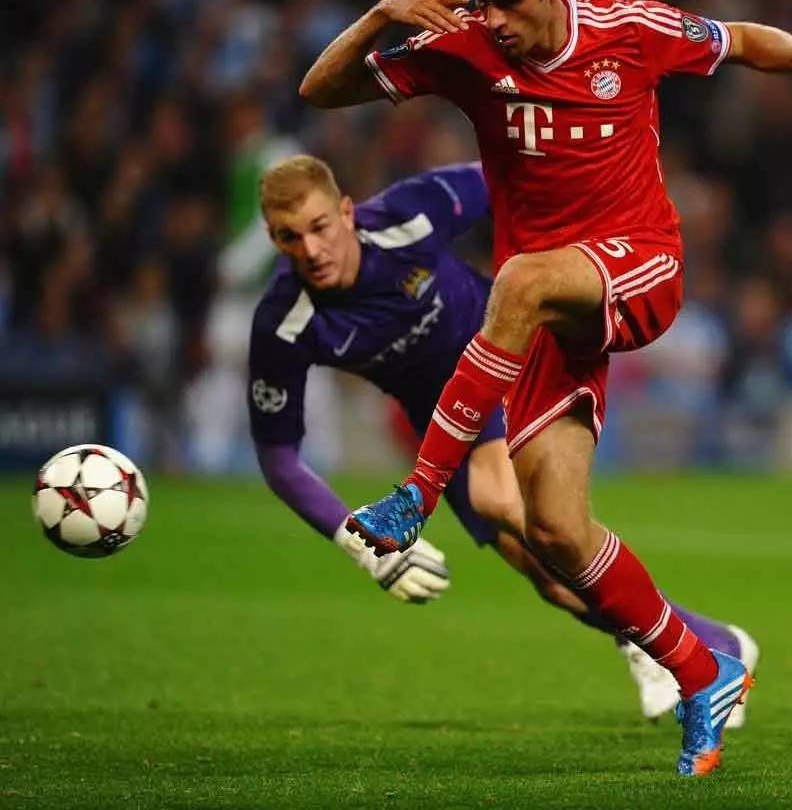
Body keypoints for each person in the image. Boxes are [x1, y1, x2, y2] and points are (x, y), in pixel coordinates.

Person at [300, 0, 792, 775]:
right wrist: (381, 13)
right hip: (546, 314)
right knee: (557, 530)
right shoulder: (463, 47)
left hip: (641, 267)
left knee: (518, 280)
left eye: (510, 1)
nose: (494, 19)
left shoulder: (629, 30)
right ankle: (702, 668)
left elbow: (742, 40)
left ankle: (416, 495)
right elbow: (321, 89)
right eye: (481, 1)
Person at [248, 154, 759, 725]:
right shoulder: (284, 323)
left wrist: (557, 261)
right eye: (290, 237)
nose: (312, 249)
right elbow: (278, 458)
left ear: (346, 212)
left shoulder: (405, 217)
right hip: (442, 424)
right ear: (273, 239)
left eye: (320, 227)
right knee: (550, 578)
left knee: (507, 504)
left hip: (507, 355)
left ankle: (670, 648)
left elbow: (513, 175)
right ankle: (708, 644)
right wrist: (358, 546)